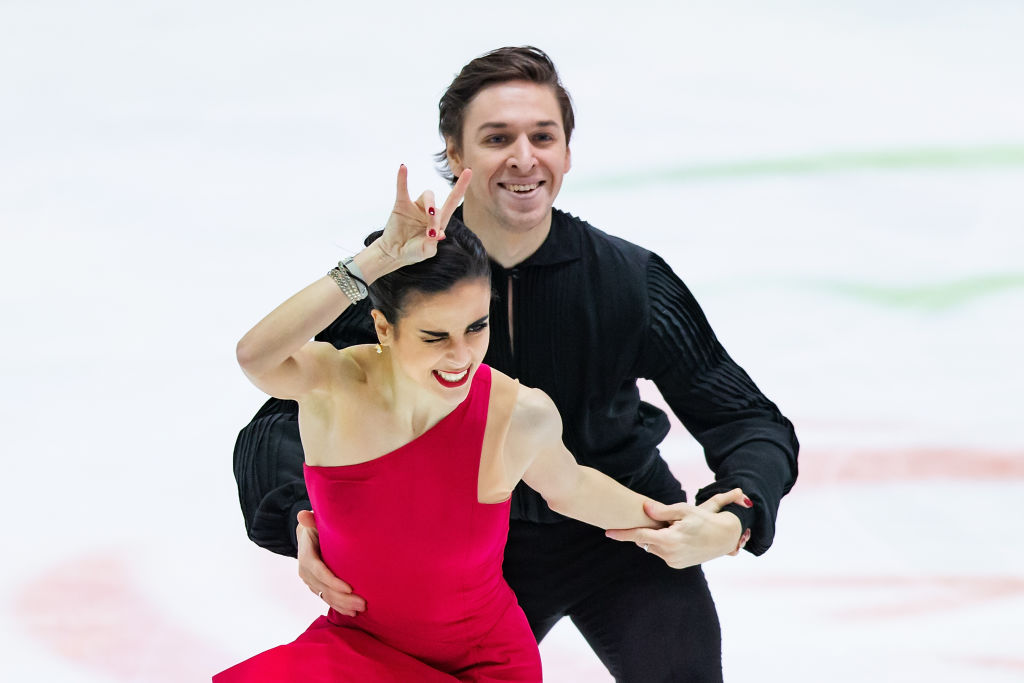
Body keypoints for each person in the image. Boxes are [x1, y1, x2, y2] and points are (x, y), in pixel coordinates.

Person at [232, 46, 798, 682]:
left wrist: (737, 515)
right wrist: (298, 519)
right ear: (455, 153)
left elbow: (746, 418)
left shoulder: (629, 280)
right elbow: (280, 419)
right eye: (498, 137)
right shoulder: (410, 282)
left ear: (567, 151)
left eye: (543, 136)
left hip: (618, 532)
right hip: (466, 562)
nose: (524, 158)